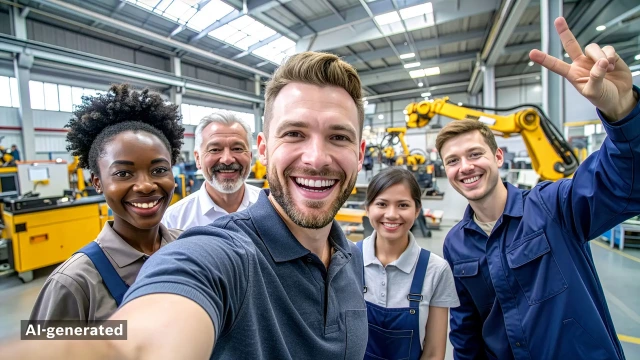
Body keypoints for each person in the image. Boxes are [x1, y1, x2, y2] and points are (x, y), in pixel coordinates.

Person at [4, 51, 369, 359]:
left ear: (360, 153)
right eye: (294, 133)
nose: (317, 157)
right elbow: (140, 335)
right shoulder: (208, 249)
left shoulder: (351, 258)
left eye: (338, 136)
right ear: (265, 148)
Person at [438, 17, 639, 360]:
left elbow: (623, 183)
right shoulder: (456, 244)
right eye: (452, 161)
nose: (465, 167)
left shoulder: (553, 206)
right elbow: (466, 329)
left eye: (475, 154)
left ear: (498, 156)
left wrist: (623, 114)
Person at [28, 84, 184, 324]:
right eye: (123, 173)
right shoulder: (73, 283)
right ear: (97, 182)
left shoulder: (188, 247)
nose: (145, 186)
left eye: (159, 170)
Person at [357, 167, 459, 360]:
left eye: (403, 205)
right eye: (382, 204)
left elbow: (433, 353)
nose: (392, 214)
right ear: (367, 207)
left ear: (417, 210)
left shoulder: (435, 270)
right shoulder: (348, 258)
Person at [162, 111, 261, 230]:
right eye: (215, 150)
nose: (227, 159)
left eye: (237, 148)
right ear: (198, 159)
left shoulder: (273, 210)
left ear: (250, 157)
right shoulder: (173, 221)